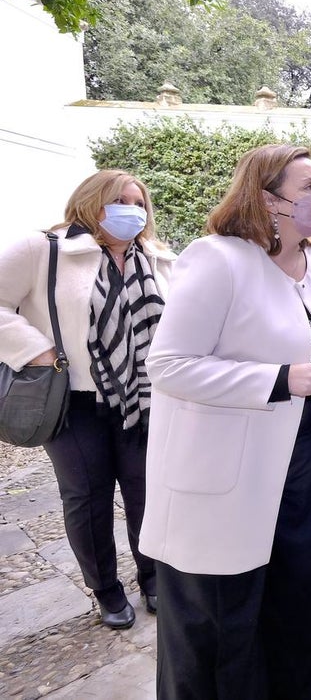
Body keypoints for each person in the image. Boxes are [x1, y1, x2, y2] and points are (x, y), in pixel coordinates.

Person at [140, 144, 311, 698]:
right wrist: (278, 379)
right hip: (226, 472)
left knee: (298, 609)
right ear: (268, 198)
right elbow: (169, 365)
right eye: (309, 187)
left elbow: (303, 341)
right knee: (222, 627)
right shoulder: (218, 258)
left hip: (305, 465)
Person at [0, 170, 173, 630]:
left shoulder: (157, 259)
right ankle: (106, 590)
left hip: (144, 400)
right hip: (74, 400)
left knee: (147, 491)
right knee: (87, 498)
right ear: (90, 202)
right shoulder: (44, 249)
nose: (131, 210)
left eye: (138, 202)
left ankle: (154, 576)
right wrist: (36, 350)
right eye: (119, 200)